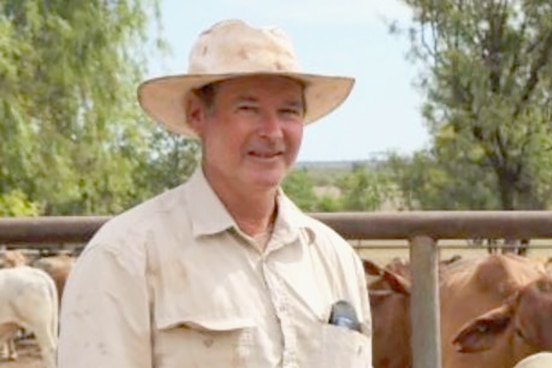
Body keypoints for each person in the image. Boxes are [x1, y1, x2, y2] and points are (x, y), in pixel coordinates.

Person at [58, 19, 372, 368]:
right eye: (248, 109)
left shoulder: (335, 259)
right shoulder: (125, 257)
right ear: (197, 115)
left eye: (289, 111)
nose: (272, 131)